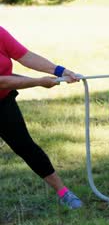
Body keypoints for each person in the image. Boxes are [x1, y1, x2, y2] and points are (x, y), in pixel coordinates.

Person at [0, 26, 83, 209]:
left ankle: (64, 193)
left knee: (25, 146)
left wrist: (60, 71)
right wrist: (38, 82)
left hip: (3, 101)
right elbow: (2, 81)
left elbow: (26, 56)